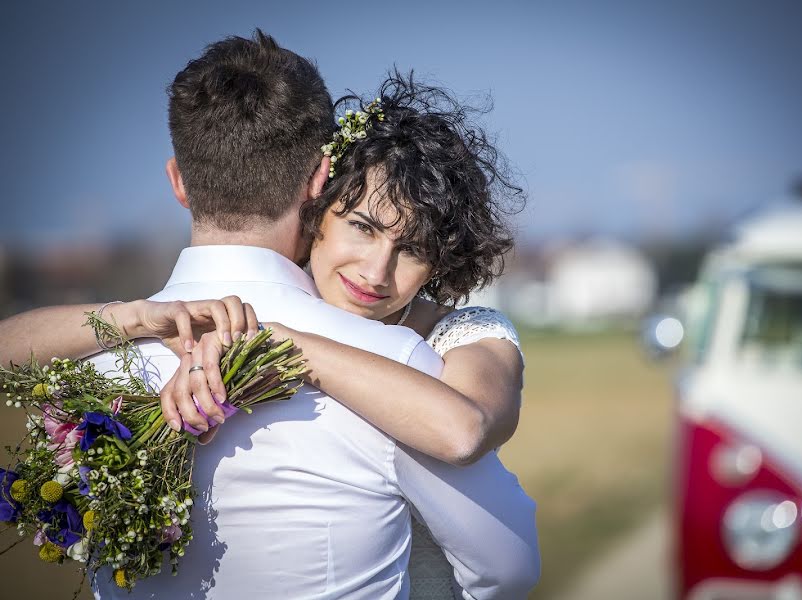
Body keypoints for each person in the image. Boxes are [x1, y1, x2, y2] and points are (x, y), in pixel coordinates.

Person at [0, 30, 539, 599]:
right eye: (363, 226)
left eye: (413, 248)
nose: (378, 272)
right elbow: (508, 568)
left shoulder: (91, 358)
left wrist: (143, 323)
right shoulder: (392, 365)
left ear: (179, 181)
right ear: (319, 183)